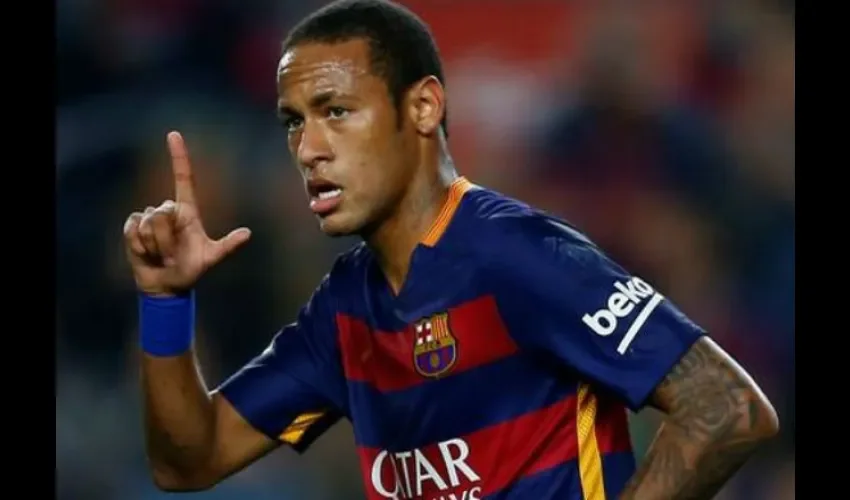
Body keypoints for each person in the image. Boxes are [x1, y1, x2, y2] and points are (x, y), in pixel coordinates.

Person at [123, 1, 779, 498]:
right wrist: (165, 301)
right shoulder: (344, 310)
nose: (309, 149)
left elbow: (726, 406)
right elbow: (190, 461)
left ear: (423, 107)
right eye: (294, 122)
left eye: (336, 111)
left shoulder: (518, 256)